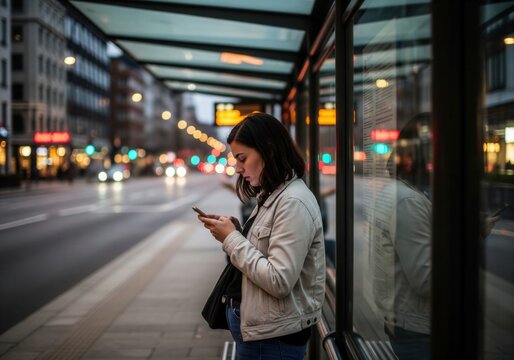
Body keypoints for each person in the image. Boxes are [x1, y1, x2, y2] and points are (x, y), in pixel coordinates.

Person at [197, 112, 326, 360]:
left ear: (268, 149)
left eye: (243, 158)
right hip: (264, 333)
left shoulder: (292, 202)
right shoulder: (275, 193)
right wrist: (235, 231)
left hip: (272, 340)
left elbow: (278, 280)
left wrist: (232, 239)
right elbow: (265, 249)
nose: (238, 167)